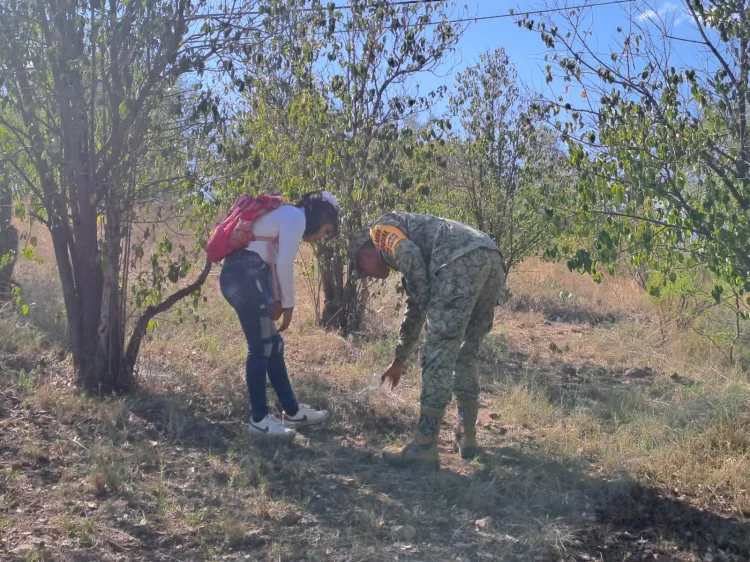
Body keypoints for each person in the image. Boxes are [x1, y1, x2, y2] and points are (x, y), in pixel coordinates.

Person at [348, 212, 506, 469]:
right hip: (490, 257)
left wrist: (430, 306)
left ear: (364, 255)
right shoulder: (414, 242)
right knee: (467, 351)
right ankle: (468, 437)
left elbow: (410, 259)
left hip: (458, 260)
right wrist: (399, 358)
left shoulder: (380, 231)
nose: (367, 275)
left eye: (362, 270)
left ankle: (424, 445)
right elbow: (415, 304)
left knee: (439, 352)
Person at [220, 190, 340, 440]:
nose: (321, 237)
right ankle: (259, 420)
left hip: (243, 276)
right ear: (320, 216)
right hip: (244, 278)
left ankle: (292, 411)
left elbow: (270, 261)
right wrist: (289, 306)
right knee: (261, 347)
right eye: (326, 230)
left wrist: (278, 300)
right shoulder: (296, 217)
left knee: (273, 345)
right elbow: (284, 263)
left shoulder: (286, 215)